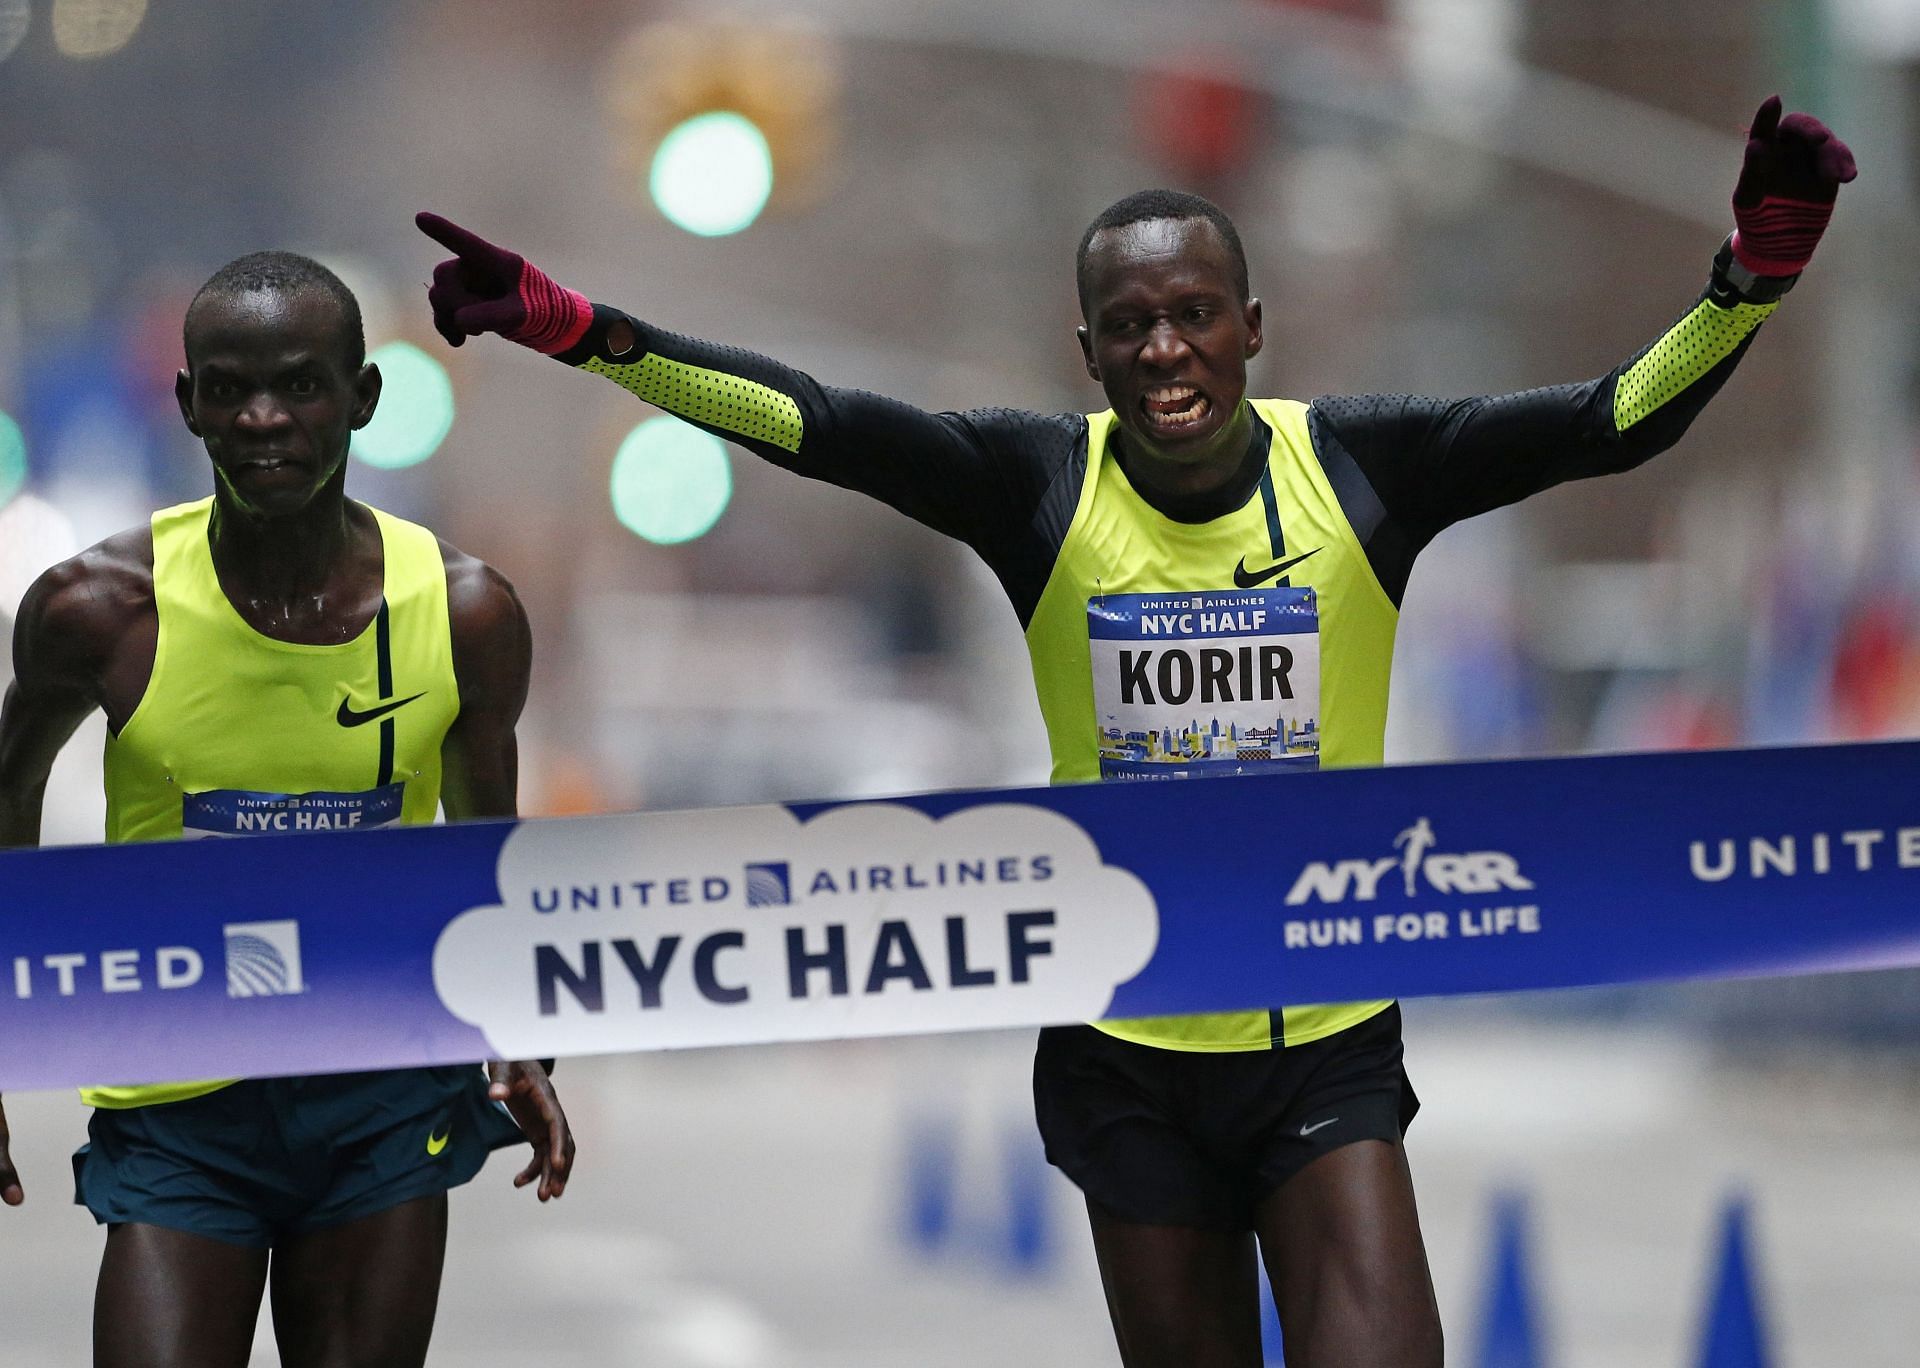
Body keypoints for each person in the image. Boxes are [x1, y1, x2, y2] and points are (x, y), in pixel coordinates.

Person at [413, 95, 1852, 1367]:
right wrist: (581, 333)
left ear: (1253, 327)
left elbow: (1612, 422)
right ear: (1089, 349)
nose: (1168, 349)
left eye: (1197, 315)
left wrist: (1752, 279)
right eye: (1132, 325)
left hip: (1323, 1029)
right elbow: (811, 421)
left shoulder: (1362, 465)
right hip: (1128, 1051)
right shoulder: (1035, 485)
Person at [0, 252, 575, 1368]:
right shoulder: (97, 612)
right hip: (179, 1100)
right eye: (231, 389)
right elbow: (7, 794)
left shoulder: (464, 614)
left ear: (361, 397)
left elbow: (484, 848)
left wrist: (523, 1047)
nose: (265, 419)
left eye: (303, 387)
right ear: (189, 404)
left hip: (383, 1094)